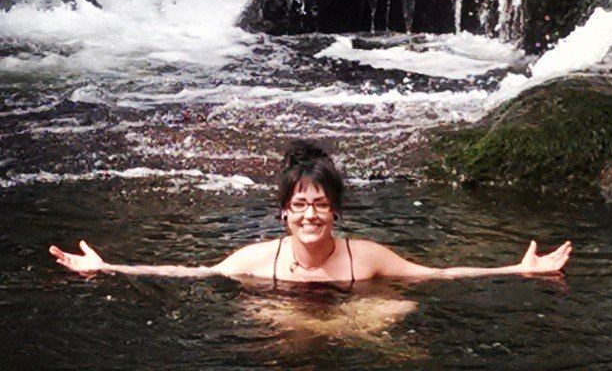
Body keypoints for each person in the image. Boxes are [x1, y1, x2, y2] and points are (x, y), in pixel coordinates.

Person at [49, 141, 572, 283]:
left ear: (335, 212)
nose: (310, 215)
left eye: (320, 205)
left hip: (349, 322)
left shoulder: (366, 258)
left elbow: (436, 274)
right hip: (283, 321)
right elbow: (194, 272)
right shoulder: (260, 259)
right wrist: (108, 267)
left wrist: (517, 269)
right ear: (284, 212)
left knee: (389, 317)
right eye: (300, 205)